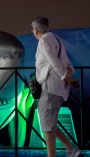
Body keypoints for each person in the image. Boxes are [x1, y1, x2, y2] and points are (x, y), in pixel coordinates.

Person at [31, 16, 81, 157]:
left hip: (50, 86)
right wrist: (67, 75)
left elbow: (55, 63)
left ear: (36, 30)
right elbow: (69, 65)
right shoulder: (57, 41)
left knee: (47, 124)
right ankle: (71, 149)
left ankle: (52, 155)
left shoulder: (44, 41)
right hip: (58, 89)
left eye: (32, 29)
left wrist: (67, 78)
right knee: (49, 122)